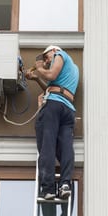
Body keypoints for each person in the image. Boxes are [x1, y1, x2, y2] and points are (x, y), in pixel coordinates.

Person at [26, 45, 79, 203]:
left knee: (47, 145)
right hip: (68, 109)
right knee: (66, 148)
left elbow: (50, 75)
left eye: (47, 56)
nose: (46, 60)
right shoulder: (73, 68)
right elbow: (52, 87)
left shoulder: (60, 54)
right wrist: (36, 78)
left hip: (53, 106)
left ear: (54, 50)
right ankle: (65, 185)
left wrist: (40, 68)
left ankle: (48, 188)